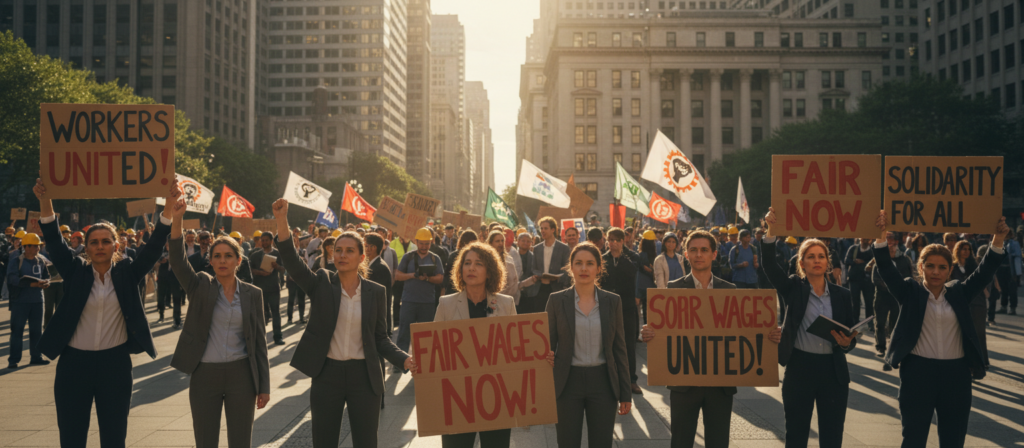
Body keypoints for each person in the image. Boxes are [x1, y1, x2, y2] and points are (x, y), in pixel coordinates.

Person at [32, 177, 170, 448]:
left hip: (114, 365)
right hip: (73, 365)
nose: (99, 246)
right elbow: (55, 241)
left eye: (106, 241)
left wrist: (170, 209)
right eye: (93, 242)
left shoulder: (128, 273)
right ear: (86, 247)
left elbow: (154, 247)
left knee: (114, 437)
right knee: (71, 438)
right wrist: (45, 199)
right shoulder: (76, 272)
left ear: (116, 246)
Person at [271, 199, 416, 447]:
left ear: (362, 256)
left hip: (364, 377)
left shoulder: (375, 292)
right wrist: (281, 219)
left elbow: (380, 338)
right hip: (327, 375)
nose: (342, 255)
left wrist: (404, 359)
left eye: (349, 251)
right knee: (324, 441)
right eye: (338, 250)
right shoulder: (322, 283)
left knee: (366, 442)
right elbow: (292, 262)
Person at [873, 212, 1008, 448]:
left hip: (956, 375)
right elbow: (886, 268)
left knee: (953, 440)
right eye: (930, 266)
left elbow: (984, 273)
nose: (936, 272)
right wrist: (881, 236)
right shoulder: (909, 292)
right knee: (913, 439)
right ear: (921, 267)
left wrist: (997, 239)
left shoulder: (959, 293)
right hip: (917, 373)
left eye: (942, 267)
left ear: (949, 270)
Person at [641, 230, 782, 448]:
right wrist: (651, 333)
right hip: (683, 383)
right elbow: (664, 333)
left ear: (714, 254)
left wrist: (768, 334)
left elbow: (743, 331)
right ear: (686, 255)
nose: (699, 255)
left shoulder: (730, 290)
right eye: (693, 250)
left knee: (718, 441)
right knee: (680, 442)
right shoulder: (673, 289)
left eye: (704, 250)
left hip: (720, 384)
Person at [164, 189, 270, 448]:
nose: (223, 261)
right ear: (210, 261)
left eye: (228, 256)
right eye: (217, 256)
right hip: (204, 374)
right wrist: (177, 219)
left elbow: (259, 343)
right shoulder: (200, 286)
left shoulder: (253, 294)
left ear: (238, 260)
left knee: (241, 441)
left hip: (241, 375)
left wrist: (264, 385)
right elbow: (177, 261)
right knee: (205, 440)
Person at [761, 207, 858, 448]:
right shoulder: (794, 288)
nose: (817, 260)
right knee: (796, 434)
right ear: (802, 263)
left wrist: (847, 343)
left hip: (833, 372)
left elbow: (850, 335)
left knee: (832, 436)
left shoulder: (842, 295)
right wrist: (770, 231)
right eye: (811, 256)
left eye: (821, 256)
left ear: (827, 262)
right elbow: (770, 266)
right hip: (800, 368)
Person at [434, 241, 519, 448]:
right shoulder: (446, 304)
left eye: (478, 264)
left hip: (496, 396)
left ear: (490, 272)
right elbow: (436, 350)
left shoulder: (506, 304)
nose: (471, 268)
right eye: (467, 263)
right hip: (458, 398)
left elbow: (516, 349)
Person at [547, 242, 632, 448]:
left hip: (603, 382)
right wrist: (546, 355)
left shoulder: (613, 301)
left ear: (599, 268)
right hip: (567, 382)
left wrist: (625, 392)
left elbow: (620, 349)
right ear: (571, 268)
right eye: (578, 263)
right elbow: (546, 343)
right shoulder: (556, 301)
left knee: (602, 442)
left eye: (590, 263)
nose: (584, 268)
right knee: (567, 442)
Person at [394, 228, 445, 366]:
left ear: (431, 242)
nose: (424, 246)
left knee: (425, 334)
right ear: (416, 242)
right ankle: (400, 363)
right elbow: (398, 275)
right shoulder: (408, 257)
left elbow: (440, 278)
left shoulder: (435, 258)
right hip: (409, 301)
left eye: (427, 243)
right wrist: (413, 275)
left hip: (427, 302)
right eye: (421, 243)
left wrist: (428, 278)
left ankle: (425, 363)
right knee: (404, 332)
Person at [600, 228, 641, 395]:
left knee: (628, 344)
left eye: (617, 240)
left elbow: (632, 273)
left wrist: (620, 257)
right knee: (607, 343)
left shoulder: (631, 257)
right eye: (611, 240)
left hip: (627, 307)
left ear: (623, 241)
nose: (614, 243)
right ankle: (608, 378)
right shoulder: (602, 259)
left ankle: (631, 380)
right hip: (607, 307)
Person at [6, 232, 50, 369]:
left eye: (38, 246)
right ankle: (13, 360)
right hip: (20, 302)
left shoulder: (41, 261)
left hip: (37, 301)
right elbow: (12, 279)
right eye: (35, 246)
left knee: (37, 331)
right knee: (17, 331)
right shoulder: (16, 261)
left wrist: (46, 282)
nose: (38, 248)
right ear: (26, 247)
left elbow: (47, 275)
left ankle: (36, 357)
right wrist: (32, 284)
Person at [870, 231, 912, 370]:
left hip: (897, 298)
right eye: (888, 246)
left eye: (892, 245)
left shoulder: (904, 260)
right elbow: (875, 279)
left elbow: (908, 276)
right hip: (881, 296)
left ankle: (893, 349)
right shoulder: (880, 261)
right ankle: (880, 347)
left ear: (897, 244)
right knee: (880, 322)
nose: (891, 248)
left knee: (895, 324)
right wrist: (890, 285)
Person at [527, 217, 571, 314]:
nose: (542, 231)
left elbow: (567, 268)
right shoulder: (537, 248)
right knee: (541, 316)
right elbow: (533, 268)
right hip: (540, 289)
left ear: (553, 229)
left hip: (556, 288)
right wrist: (541, 275)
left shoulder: (563, 248)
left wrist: (557, 277)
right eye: (541, 228)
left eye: (545, 228)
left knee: (556, 315)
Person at [250, 232, 285, 345]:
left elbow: (284, 269)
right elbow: (250, 270)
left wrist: (277, 266)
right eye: (262, 240)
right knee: (261, 314)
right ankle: (260, 339)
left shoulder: (278, 254)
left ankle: (278, 337)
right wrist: (260, 273)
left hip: (273, 288)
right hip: (259, 288)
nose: (264, 242)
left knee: (276, 313)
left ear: (271, 241)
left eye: (266, 240)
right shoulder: (255, 255)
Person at [486, 230, 523, 306]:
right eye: (497, 241)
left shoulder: (509, 259)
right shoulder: (485, 260)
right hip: (489, 300)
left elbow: (514, 281)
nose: (500, 243)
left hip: (506, 300)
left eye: (502, 241)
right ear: (491, 243)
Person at [845, 238, 875, 325]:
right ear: (860, 239)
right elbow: (846, 260)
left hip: (868, 281)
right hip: (854, 280)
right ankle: (855, 322)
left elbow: (875, 263)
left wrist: (863, 262)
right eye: (863, 239)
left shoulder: (872, 251)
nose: (865, 241)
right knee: (855, 302)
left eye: (867, 239)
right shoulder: (853, 249)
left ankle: (870, 323)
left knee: (869, 302)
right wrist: (855, 262)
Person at [157, 242, 185, 326]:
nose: (167, 244)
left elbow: (182, 260)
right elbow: (156, 258)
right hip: (163, 275)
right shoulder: (161, 250)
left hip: (175, 276)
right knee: (161, 295)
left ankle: (177, 319)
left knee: (177, 297)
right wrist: (161, 260)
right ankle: (161, 314)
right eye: (167, 243)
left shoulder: (178, 250)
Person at [994, 229, 1021, 315]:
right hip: (1001, 269)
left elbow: (1017, 258)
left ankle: (1013, 308)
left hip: (1010, 269)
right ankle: (1004, 306)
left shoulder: (1014, 243)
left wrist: (1017, 273)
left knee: (1012, 289)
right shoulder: (999, 243)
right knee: (1003, 289)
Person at [635, 230, 657, 324]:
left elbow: (639, 272)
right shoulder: (655, 257)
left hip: (641, 287)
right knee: (652, 313)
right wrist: (652, 272)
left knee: (644, 313)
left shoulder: (639, 256)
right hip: (652, 287)